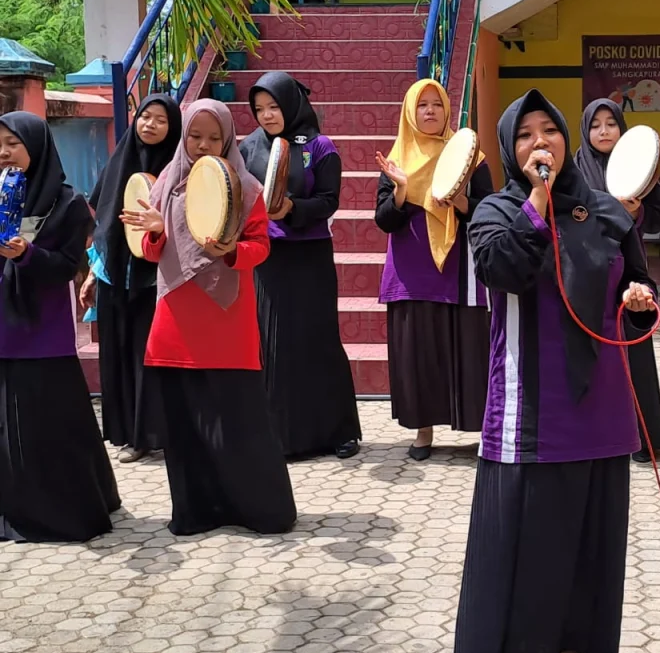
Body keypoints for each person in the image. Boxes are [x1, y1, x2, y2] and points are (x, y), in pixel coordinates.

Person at [446, 89, 658, 653]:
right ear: (512, 151)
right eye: (525, 135)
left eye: (550, 130)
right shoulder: (495, 211)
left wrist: (637, 301)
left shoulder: (608, 213)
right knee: (527, 540)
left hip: (603, 404)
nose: (542, 142)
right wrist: (536, 205)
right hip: (530, 408)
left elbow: (636, 285)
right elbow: (502, 269)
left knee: (590, 544)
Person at [121, 99, 296, 536]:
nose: (202, 145)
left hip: (227, 321)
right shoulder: (163, 184)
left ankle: (262, 510)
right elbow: (147, 248)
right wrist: (158, 230)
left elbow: (261, 245)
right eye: (194, 136)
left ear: (227, 139)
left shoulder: (247, 187)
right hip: (174, 320)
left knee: (242, 423)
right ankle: (195, 511)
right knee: (183, 426)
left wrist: (232, 252)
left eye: (213, 137)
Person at [0, 111, 121, 542]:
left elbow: (68, 266)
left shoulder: (66, 203)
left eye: (13, 143)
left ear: (35, 145)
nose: (4, 153)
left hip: (41, 329)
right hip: (3, 322)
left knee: (51, 421)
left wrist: (25, 256)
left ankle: (63, 508)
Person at [240, 71, 362, 460]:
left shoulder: (321, 147)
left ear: (291, 104)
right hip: (267, 258)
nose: (267, 116)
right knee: (274, 342)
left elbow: (329, 201)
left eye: (274, 107)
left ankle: (339, 431)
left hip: (310, 255)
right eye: (259, 109)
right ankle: (283, 436)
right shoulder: (247, 149)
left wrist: (293, 208)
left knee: (318, 340)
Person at [374, 78, 492, 461]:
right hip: (412, 271)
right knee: (419, 352)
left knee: (468, 347)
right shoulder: (397, 160)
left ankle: (478, 430)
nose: (429, 112)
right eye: (422, 105)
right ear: (410, 111)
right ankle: (423, 431)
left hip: (460, 268)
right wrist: (401, 192)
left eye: (436, 104)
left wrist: (461, 203)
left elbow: (489, 212)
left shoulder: (469, 156)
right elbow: (383, 220)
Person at [82, 94, 181, 463]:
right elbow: (105, 227)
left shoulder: (179, 172)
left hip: (157, 282)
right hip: (113, 280)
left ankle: (150, 435)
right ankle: (125, 432)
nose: (149, 125)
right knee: (118, 355)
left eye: (160, 120)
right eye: (144, 117)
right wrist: (94, 272)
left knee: (148, 358)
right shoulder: (119, 162)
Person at [576, 98, 660, 463]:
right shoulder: (574, 171)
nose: (603, 131)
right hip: (587, 271)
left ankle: (643, 438)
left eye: (610, 124)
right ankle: (595, 434)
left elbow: (659, 220)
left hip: (630, 270)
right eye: (595, 124)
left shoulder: (641, 167)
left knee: (633, 348)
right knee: (595, 352)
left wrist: (637, 212)